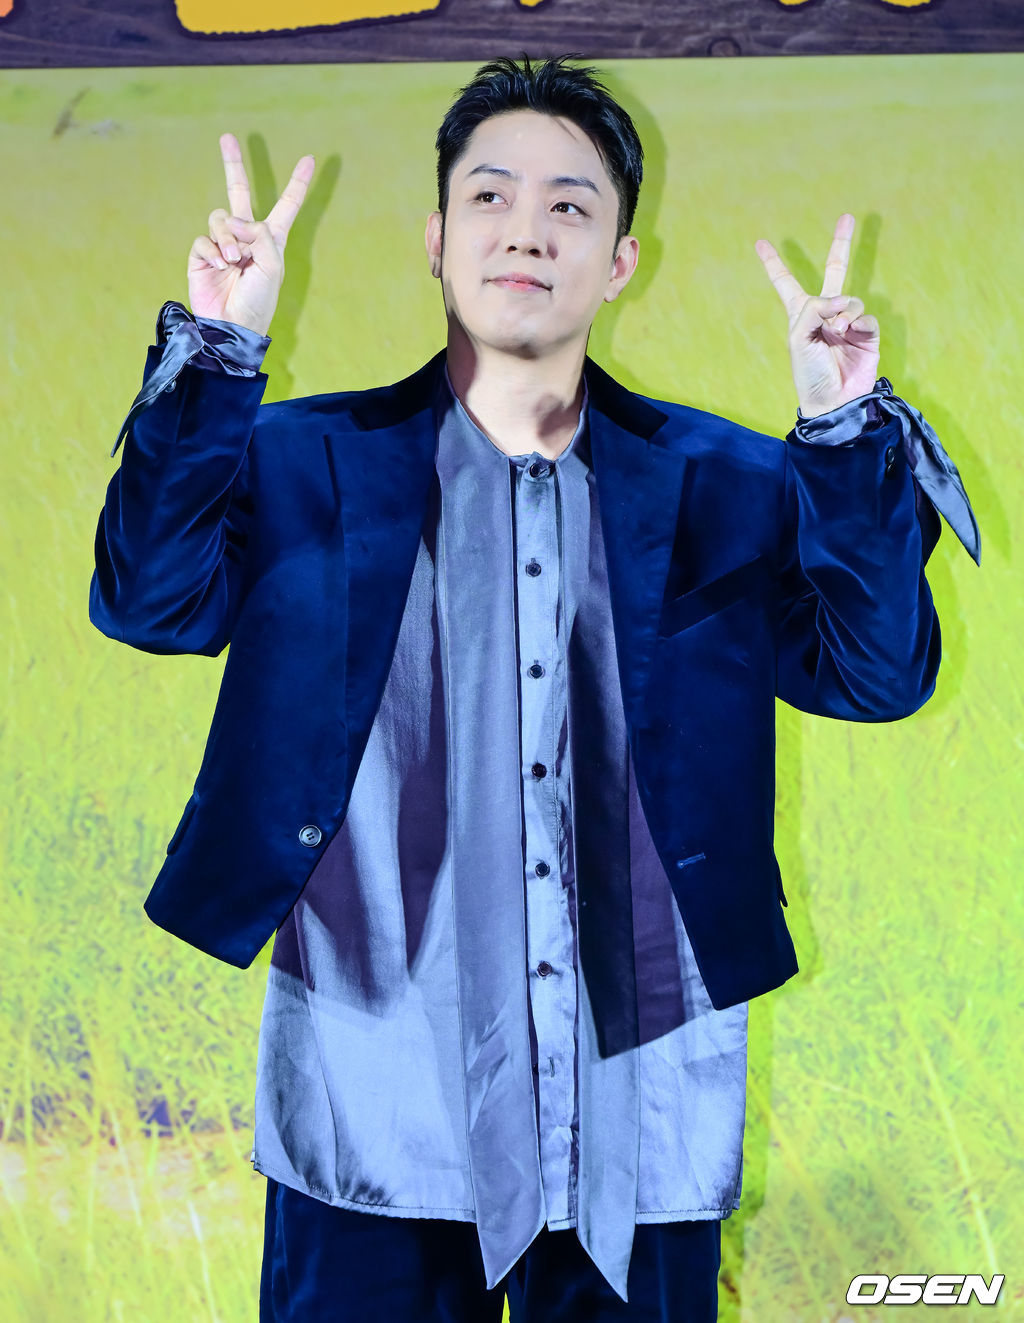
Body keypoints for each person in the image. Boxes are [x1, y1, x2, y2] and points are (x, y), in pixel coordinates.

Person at [89, 54, 979, 1323]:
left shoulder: (725, 482)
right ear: (436, 239)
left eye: (570, 205)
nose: (526, 230)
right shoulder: (298, 459)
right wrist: (221, 350)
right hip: (373, 1085)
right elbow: (148, 601)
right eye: (490, 196)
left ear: (619, 261)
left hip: (638, 1086)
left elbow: (875, 675)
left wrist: (838, 439)